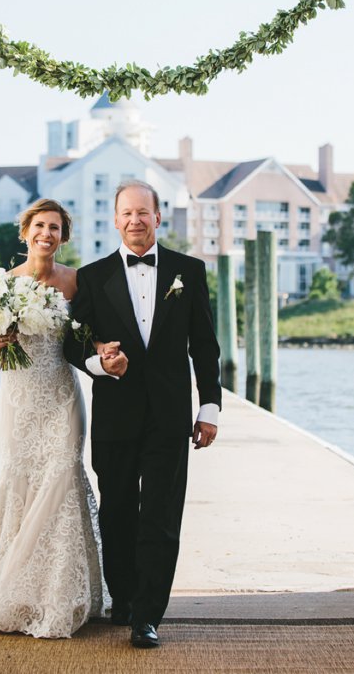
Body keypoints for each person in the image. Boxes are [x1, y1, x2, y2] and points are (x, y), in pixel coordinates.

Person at [64, 179, 221, 649]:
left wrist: (209, 407)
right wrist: (99, 364)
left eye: (143, 213)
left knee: (161, 515)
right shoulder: (91, 277)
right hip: (115, 413)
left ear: (158, 217)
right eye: (126, 213)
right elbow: (71, 341)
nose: (135, 220)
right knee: (116, 515)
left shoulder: (188, 271)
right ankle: (125, 598)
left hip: (171, 417)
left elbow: (205, 346)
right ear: (116, 220)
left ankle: (148, 615)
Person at [0, 198, 106, 638]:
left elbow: (90, 337)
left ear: (64, 236)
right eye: (40, 225)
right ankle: (12, 589)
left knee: (62, 478)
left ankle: (60, 594)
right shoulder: (2, 284)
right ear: (24, 233)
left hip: (62, 396)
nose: (47, 233)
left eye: (55, 227)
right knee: (22, 482)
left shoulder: (78, 283)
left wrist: (105, 355)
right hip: (21, 399)